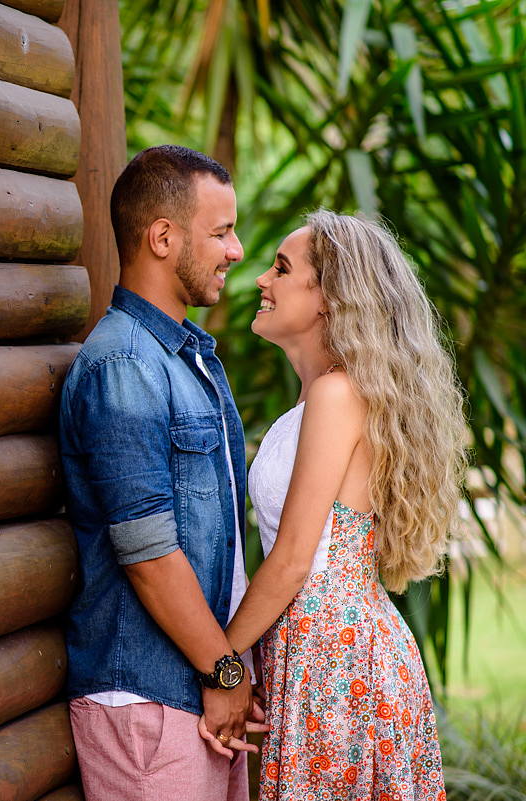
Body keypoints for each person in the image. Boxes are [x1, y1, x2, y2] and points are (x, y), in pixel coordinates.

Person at [202, 209, 464, 799]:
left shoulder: (337, 394)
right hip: (321, 645)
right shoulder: (319, 399)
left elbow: (295, 558)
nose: (261, 281)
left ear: (327, 298)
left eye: (281, 269)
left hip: (334, 656)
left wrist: (219, 664)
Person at [60, 144, 266, 801]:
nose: (236, 250)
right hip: (148, 702)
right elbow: (147, 552)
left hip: (196, 693)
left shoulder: (187, 358)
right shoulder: (122, 365)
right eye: (221, 231)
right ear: (162, 237)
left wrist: (227, 674)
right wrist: (226, 671)